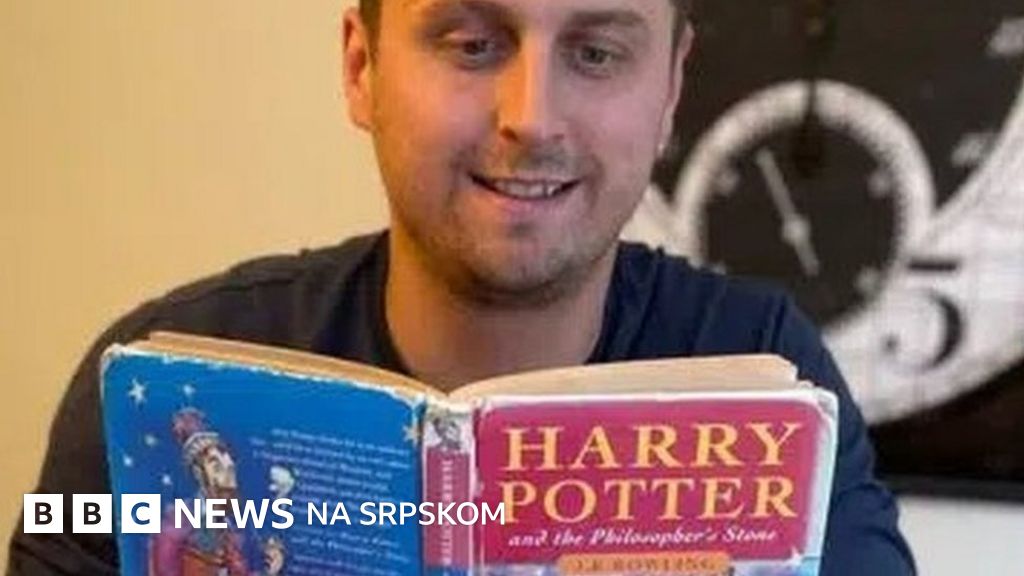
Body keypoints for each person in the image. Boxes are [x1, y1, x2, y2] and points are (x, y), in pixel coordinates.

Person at [7, 0, 917, 574]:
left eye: (597, 53)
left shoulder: (771, 376)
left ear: (671, 89)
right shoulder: (152, 383)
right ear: (361, 67)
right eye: (473, 44)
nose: (532, 118)